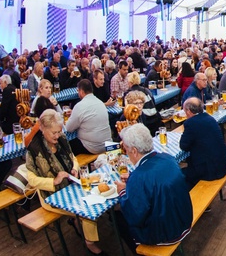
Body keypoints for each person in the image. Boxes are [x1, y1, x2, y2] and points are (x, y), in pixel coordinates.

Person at [25, 110, 104, 254]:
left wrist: (74, 168)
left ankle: (84, 232)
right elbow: (31, 180)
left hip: (70, 184)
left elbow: (72, 157)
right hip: (50, 195)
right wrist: (54, 181)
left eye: (59, 131)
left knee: (91, 198)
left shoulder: (62, 138)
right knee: (84, 208)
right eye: (53, 133)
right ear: (43, 129)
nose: (57, 135)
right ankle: (90, 244)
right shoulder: (34, 149)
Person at [115, 124, 193, 253]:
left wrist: (122, 191)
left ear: (134, 150)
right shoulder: (167, 158)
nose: (127, 153)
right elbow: (154, 181)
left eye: (126, 150)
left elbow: (135, 215)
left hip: (166, 234)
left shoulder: (139, 176)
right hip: (184, 219)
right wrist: (132, 179)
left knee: (118, 218)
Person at [179, 97, 226, 188]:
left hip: (210, 170)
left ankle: (192, 200)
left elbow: (184, 146)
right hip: (225, 163)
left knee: (179, 176)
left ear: (188, 111)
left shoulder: (190, 123)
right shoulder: (209, 118)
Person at [64, 79, 110, 155]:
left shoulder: (79, 106)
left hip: (92, 147)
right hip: (107, 144)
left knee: (67, 145)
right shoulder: (100, 102)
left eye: (78, 91)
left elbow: (69, 128)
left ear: (81, 91)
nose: (78, 93)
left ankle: (74, 166)